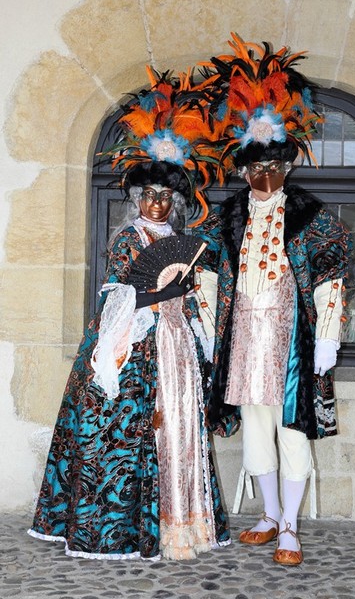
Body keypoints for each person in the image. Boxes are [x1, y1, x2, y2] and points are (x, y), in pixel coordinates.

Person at [28, 70, 236, 561]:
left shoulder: (182, 243)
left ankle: (182, 524)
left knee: (181, 427)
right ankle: (128, 529)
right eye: (150, 196)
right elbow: (117, 300)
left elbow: (202, 294)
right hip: (137, 348)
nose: (158, 203)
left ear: (176, 201)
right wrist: (157, 294)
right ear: (137, 199)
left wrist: (194, 298)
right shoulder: (127, 241)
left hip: (179, 344)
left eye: (165, 197)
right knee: (132, 432)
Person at [205, 35, 352, 566]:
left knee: (293, 431)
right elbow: (210, 278)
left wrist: (329, 338)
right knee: (255, 430)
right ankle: (268, 516)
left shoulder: (311, 217)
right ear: (243, 171)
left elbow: (333, 274)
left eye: (273, 169)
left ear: (285, 168)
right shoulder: (228, 216)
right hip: (244, 336)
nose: (263, 178)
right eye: (254, 170)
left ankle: (290, 525)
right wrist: (205, 332)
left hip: (292, 340)